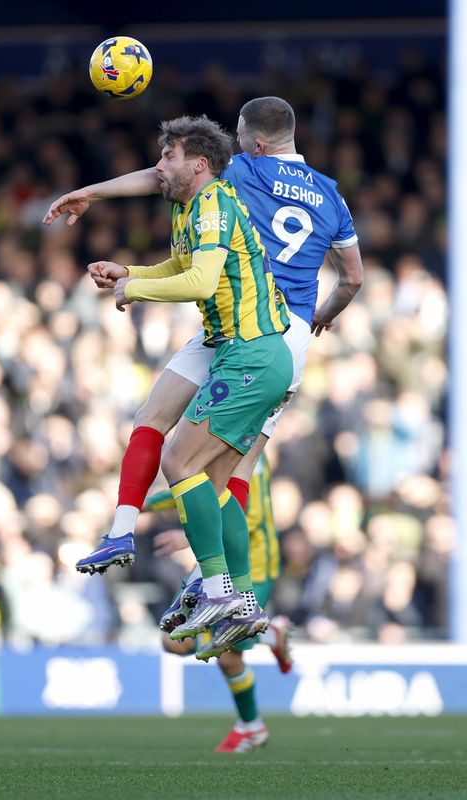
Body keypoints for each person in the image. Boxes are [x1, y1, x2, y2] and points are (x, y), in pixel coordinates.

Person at [44, 97, 363, 576]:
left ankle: (222, 588)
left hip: (256, 328)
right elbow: (353, 278)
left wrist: (91, 193)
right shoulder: (331, 195)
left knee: (198, 464)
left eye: (237, 137)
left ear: (255, 144)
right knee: (220, 463)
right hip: (279, 329)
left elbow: (160, 178)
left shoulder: (242, 172)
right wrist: (322, 315)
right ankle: (138, 542)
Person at [90, 114, 293, 652]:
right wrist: (130, 272)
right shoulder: (189, 207)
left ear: (198, 164)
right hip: (244, 352)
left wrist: (135, 292)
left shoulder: (215, 205)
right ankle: (240, 602)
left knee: (180, 462)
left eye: (168, 157)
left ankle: (218, 588)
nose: (159, 167)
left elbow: (201, 281)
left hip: (251, 354)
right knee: (215, 481)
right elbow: (181, 267)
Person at [148, 453, 293, 752]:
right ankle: (270, 635)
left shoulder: (245, 449)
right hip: (213, 563)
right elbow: (189, 483)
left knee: (228, 658)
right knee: (173, 641)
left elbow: (247, 515)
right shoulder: (216, 439)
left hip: (252, 566)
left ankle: (252, 727)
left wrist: (189, 537)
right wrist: (140, 505)